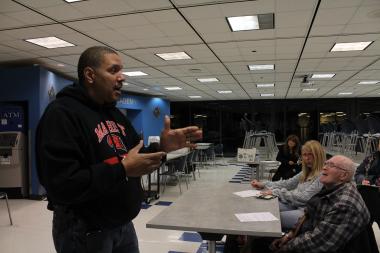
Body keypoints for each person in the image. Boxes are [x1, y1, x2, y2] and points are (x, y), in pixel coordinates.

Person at [35, 46, 202, 253]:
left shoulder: (115, 115)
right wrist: (122, 169)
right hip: (84, 231)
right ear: (90, 75)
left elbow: (134, 157)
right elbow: (62, 183)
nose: (122, 77)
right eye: (113, 70)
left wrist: (162, 147)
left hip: (123, 226)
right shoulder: (62, 114)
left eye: (121, 71)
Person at [270, 155, 370, 253]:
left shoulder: (345, 205)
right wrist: (289, 236)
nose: (324, 167)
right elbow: (307, 216)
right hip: (306, 239)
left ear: (343, 175)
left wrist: (284, 247)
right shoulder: (330, 188)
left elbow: (317, 243)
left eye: (331, 165)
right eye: (325, 163)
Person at [251, 140, 325, 229]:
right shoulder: (305, 172)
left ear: (318, 156)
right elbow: (287, 184)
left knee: (272, 218)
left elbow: (304, 197)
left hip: (306, 212)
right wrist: (263, 184)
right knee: (264, 206)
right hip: (294, 204)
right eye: (304, 155)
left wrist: (276, 192)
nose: (307, 158)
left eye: (310, 154)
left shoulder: (322, 175)